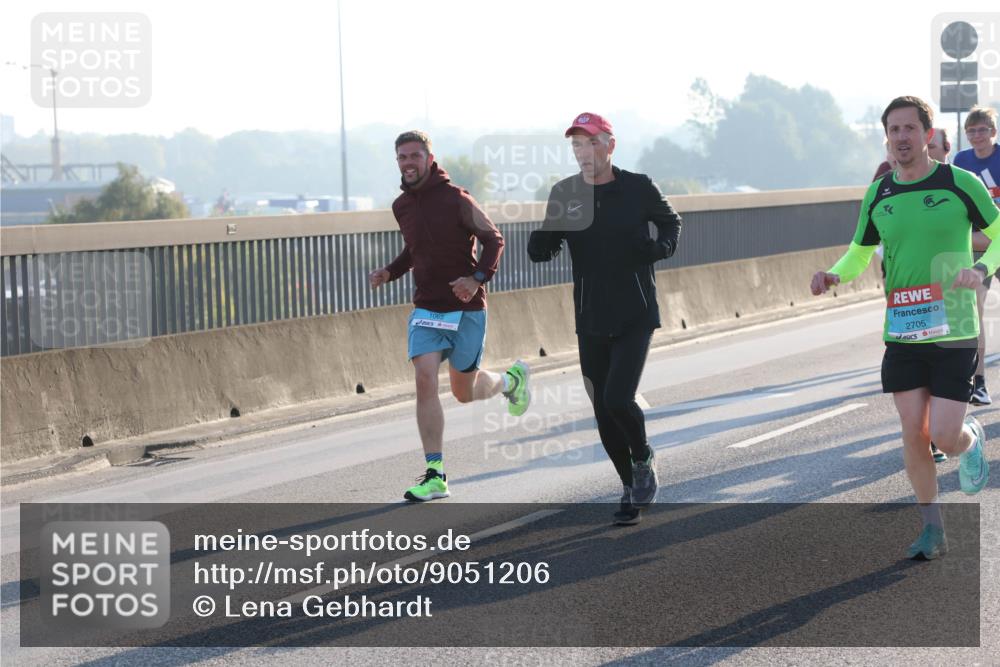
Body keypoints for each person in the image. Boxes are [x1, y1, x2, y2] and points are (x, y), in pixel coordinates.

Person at [811, 96, 998, 560]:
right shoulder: (879, 193)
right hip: (904, 328)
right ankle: (932, 529)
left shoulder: (959, 182)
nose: (901, 137)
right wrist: (834, 273)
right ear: (887, 138)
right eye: (893, 130)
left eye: (909, 128)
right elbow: (860, 250)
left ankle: (970, 439)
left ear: (927, 135)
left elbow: (999, 233)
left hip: (954, 327)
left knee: (944, 437)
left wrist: (981, 267)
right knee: (914, 430)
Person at [528, 112, 682, 525]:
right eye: (577, 144)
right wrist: (541, 243)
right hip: (591, 316)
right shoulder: (565, 193)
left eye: (592, 142)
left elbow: (671, 223)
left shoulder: (639, 187)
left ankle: (642, 457)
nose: (584, 151)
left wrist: (660, 248)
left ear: (610, 145)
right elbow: (549, 241)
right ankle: (630, 485)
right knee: (602, 410)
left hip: (635, 312)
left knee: (617, 398)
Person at [369, 130, 530, 502]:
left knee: (464, 392)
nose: (408, 163)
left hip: (466, 308)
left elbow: (494, 239)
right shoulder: (401, 206)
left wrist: (476, 280)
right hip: (427, 308)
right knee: (424, 379)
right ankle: (435, 474)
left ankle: (511, 381)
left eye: (414, 156)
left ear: (429, 158)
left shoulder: (457, 199)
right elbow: (414, 249)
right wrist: (390, 272)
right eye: (402, 157)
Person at [954, 106, 1000, 407]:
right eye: (971, 131)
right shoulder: (961, 161)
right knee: (975, 313)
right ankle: (979, 382)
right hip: (979, 246)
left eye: (982, 130)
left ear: (993, 132)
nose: (977, 136)